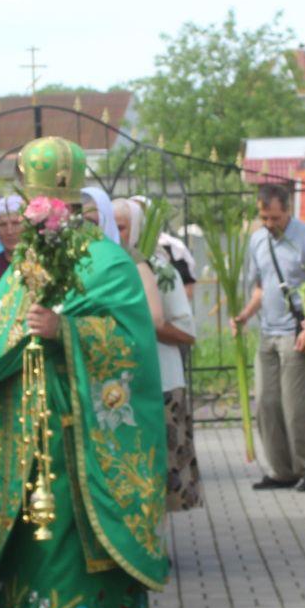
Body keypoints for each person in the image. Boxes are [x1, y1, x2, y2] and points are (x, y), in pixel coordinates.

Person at [0, 137, 169, 608]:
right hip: (20, 419)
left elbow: (133, 340)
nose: (27, 214)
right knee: (25, 526)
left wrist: (64, 329)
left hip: (76, 426)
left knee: (70, 526)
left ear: (65, 204)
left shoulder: (107, 260)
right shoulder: (25, 260)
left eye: (34, 203)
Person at [232, 183, 305, 492]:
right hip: (267, 332)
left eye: (275, 218)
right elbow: (261, 287)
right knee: (267, 405)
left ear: (288, 210)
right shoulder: (258, 240)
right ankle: (281, 470)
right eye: (264, 218)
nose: (270, 224)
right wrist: (245, 315)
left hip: (294, 333)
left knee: (295, 406)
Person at [120, 199, 201, 512]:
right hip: (127, 383)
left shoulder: (160, 269)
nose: (114, 233)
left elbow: (187, 334)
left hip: (162, 382)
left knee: (162, 469)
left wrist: (144, 324)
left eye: (122, 226)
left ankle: (158, 544)